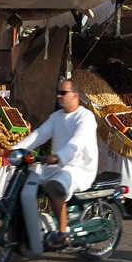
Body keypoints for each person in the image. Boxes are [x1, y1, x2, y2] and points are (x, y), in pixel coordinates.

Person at [10, 77, 98, 248]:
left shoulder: (85, 117)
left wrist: (58, 156)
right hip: (58, 165)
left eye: (63, 93)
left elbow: (76, 142)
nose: (59, 96)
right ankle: (32, 225)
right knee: (29, 176)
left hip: (79, 168)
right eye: (57, 93)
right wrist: (16, 150)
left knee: (55, 185)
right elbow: (39, 135)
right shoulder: (56, 117)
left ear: (75, 95)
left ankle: (63, 232)